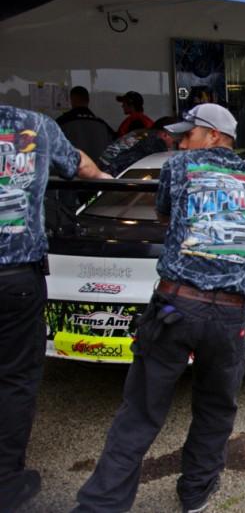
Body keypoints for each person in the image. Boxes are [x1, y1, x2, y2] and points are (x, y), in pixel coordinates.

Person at [72, 104, 245, 513]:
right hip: (231, 316)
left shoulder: (181, 167)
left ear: (215, 136)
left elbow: (165, 215)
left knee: (141, 411)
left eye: (190, 133)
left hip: (177, 305)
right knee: (216, 408)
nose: (181, 141)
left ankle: (101, 505)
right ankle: (196, 493)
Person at [0, 106, 111, 513]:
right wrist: (106, 181)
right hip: (14, 277)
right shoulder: (32, 125)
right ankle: (6, 483)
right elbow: (79, 166)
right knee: (14, 380)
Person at [98, 116, 181, 176]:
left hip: (102, 170)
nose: (171, 147)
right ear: (165, 134)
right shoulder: (155, 143)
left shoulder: (141, 133)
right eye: (174, 142)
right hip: (112, 177)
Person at [56, 86, 116, 160]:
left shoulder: (62, 122)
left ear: (72, 99)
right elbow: (115, 148)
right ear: (88, 100)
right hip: (98, 169)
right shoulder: (102, 124)